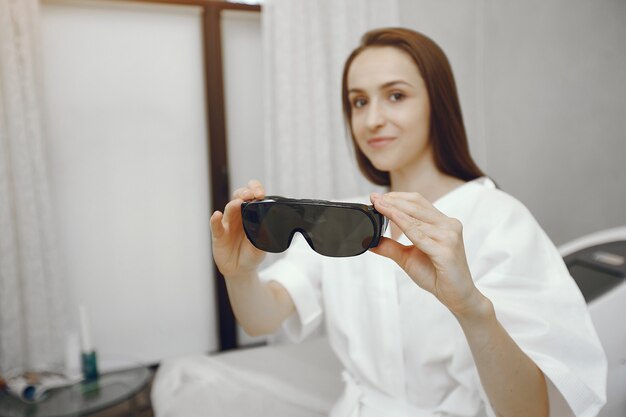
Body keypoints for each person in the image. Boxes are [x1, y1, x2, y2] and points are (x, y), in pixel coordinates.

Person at [208, 28, 606, 417]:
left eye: (395, 96)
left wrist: (470, 308)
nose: (372, 119)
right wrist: (240, 274)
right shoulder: (345, 217)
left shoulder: (500, 219)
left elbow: (531, 410)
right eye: (359, 102)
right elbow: (262, 317)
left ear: (438, 103)